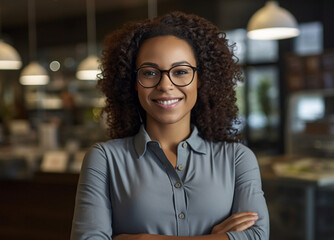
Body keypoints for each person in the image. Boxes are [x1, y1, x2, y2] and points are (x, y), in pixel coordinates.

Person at [71, 11, 269, 240]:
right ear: (133, 82)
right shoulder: (104, 159)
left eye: (181, 72)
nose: (166, 85)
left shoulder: (237, 159)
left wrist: (142, 239)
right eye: (150, 73)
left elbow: (257, 236)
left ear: (200, 79)